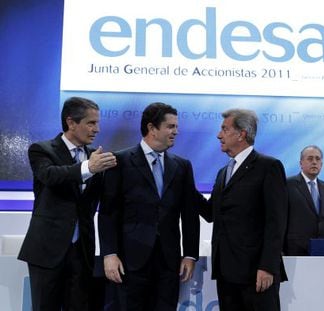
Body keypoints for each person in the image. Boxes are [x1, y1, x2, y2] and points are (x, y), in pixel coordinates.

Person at [18, 97, 117, 311]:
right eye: (91, 123)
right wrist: (88, 168)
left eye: (98, 123)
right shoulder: (42, 149)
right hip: (47, 250)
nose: (97, 129)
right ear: (71, 122)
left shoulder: (96, 158)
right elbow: (50, 176)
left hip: (82, 252)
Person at [98, 102, 200, 310]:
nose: (176, 132)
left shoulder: (182, 166)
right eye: (170, 126)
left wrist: (190, 254)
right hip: (129, 261)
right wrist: (109, 254)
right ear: (152, 128)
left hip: (169, 263)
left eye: (176, 126)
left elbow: (189, 214)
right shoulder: (119, 161)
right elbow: (108, 212)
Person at [198, 108, 288, 311]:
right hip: (226, 272)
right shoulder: (223, 172)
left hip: (256, 273)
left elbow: (276, 222)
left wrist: (267, 266)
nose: (218, 135)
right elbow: (210, 212)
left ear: (241, 134)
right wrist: (185, 185)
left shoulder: (268, 167)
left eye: (224, 129)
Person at [283, 145, 324, 256]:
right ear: (301, 163)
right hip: (294, 251)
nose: (314, 162)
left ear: (321, 164)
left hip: (323, 249)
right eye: (310, 158)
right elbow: (280, 218)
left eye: (317, 159)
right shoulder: (287, 184)